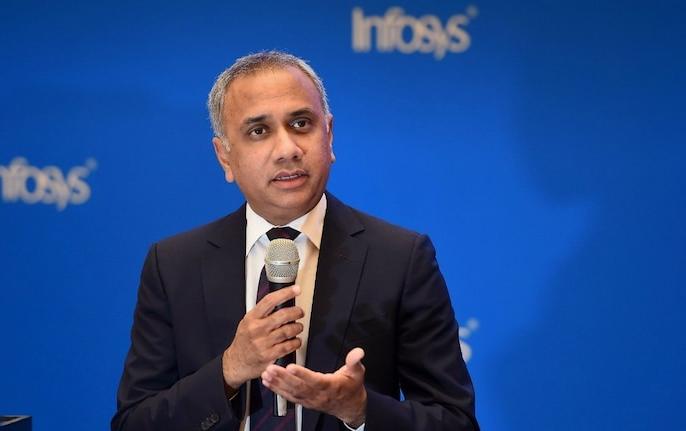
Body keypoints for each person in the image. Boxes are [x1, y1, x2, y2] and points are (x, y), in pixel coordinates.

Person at [112, 51, 478, 431]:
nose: (287, 149)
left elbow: (456, 423)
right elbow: (133, 424)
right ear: (225, 157)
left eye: (301, 124)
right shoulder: (174, 265)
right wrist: (229, 369)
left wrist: (360, 411)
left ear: (328, 135)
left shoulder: (399, 259)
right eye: (259, 131)